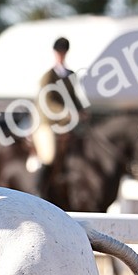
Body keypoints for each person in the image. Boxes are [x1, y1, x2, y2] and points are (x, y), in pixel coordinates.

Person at [34, 36, 85, 196]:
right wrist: (68, 113)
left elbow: (73, 97)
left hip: (66, 124)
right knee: (49, 156)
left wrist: (81, 110)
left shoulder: (70, 74)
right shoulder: (47, 76)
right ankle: (38, 189)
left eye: (64, 52)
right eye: (59, 52)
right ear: (55, 53)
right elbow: (47, 102)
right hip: (46, 123)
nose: (61, 55)